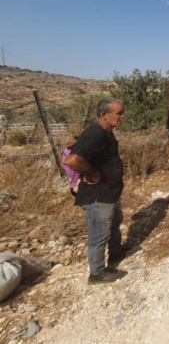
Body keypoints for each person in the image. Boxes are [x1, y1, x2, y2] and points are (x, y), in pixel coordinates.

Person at [64, 97, 128, 284]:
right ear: (104, 115)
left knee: (114, 223)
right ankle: (97, 273)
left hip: (110, 192)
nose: (122, 117)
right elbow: (72, 160)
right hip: (98, 195)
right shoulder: (95, 134)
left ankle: (115, 254)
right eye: (119, 113)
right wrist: (93, 174)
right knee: (99, 234)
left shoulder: (106, 133)